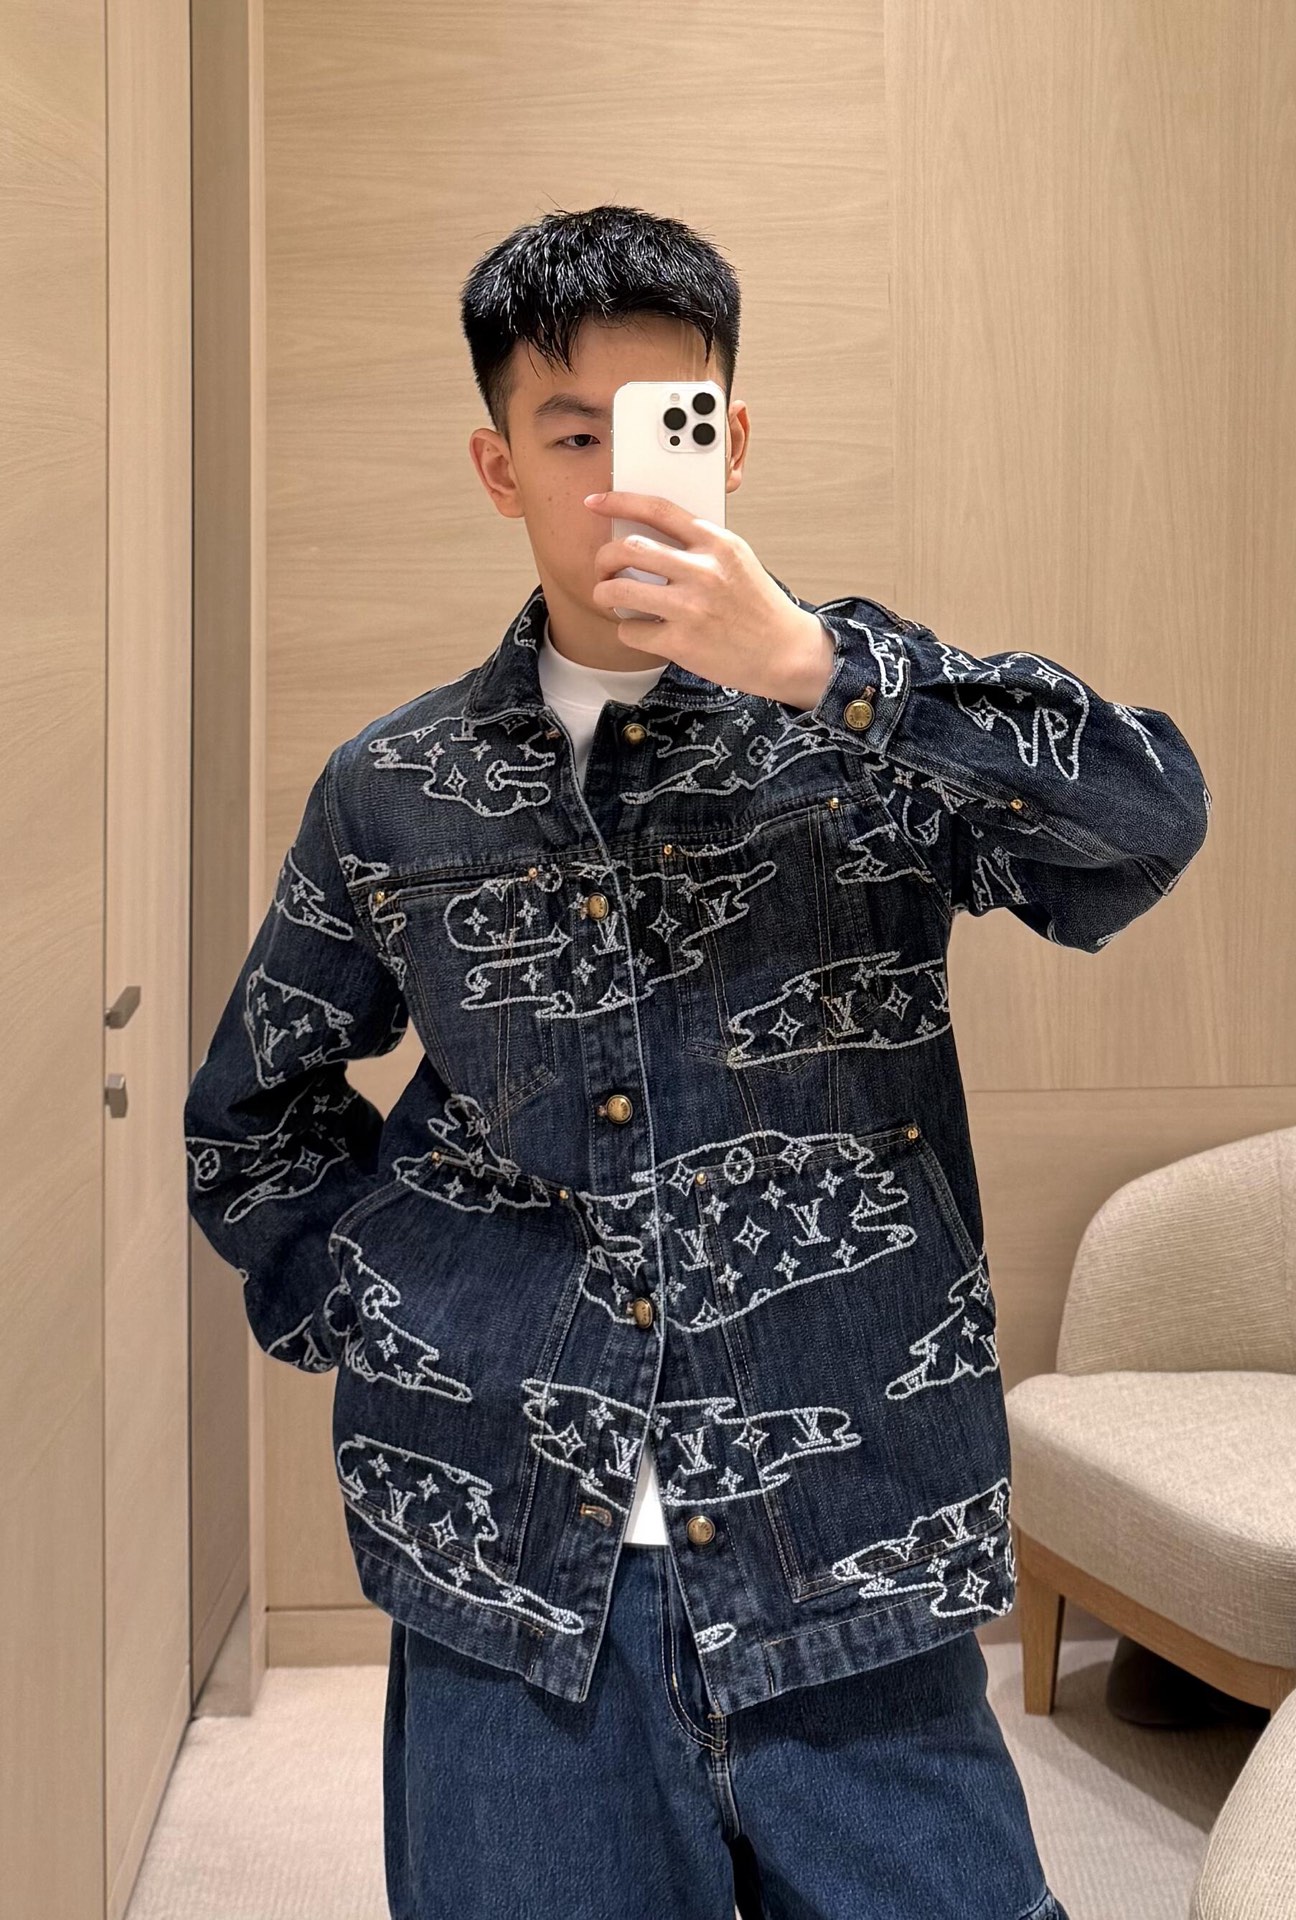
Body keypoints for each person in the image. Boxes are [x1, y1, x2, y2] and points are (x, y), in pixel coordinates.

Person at [185, 202, 1211, 1918]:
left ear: (730, 440)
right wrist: (410, 1312)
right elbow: (252, 1122)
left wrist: (817, 667)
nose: (617, 485)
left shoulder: (868, 730)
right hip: (515, 1583)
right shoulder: (393, 790)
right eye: (568, 436)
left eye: (662, 426)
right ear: (498, 467)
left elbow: (1145, 823)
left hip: (854, 1561)